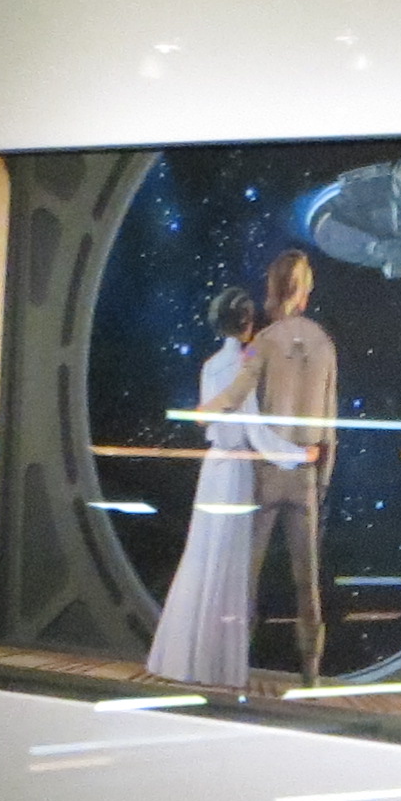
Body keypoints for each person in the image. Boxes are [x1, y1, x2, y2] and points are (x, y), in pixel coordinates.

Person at [143, 287, 262, 689]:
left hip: (213, 467)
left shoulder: (211, 364)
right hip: (236, 469)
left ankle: (184, 658)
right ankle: (214, 666)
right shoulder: (245, 366)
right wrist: (296, 454)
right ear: (246, 322)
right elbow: (254, 428)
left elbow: (209, 418)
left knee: (201, 556)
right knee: (226, 562)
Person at [242, 246, 338, 681]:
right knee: (307, 584)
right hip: (305, 477)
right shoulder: (323, 345)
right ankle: (311, 672)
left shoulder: (261, 344)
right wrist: (322, 481)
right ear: (303, 291)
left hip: (265, 474)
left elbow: (247, 418)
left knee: (248, 577)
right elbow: (330, 424)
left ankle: (236, 662)